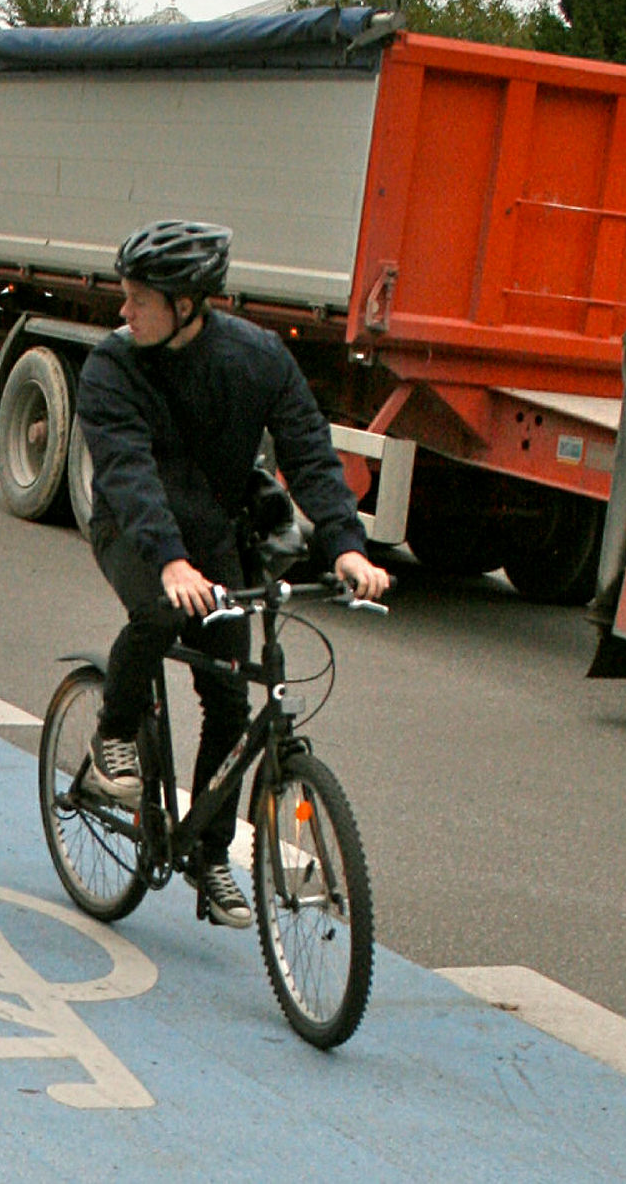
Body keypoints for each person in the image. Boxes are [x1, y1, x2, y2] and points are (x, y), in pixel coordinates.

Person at [75, 218, 392, 929]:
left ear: (185, 305)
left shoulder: (257, 358)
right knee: (159, 611)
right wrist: (170, 560)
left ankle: (209, 857)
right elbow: (127, 471)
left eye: (137, 299)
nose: (123, 313)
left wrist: (345, 546)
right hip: (135, 528)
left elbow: (310, 450)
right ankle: (114, 734)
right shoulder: (111, 367)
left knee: (229, 700)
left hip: (214, 535)